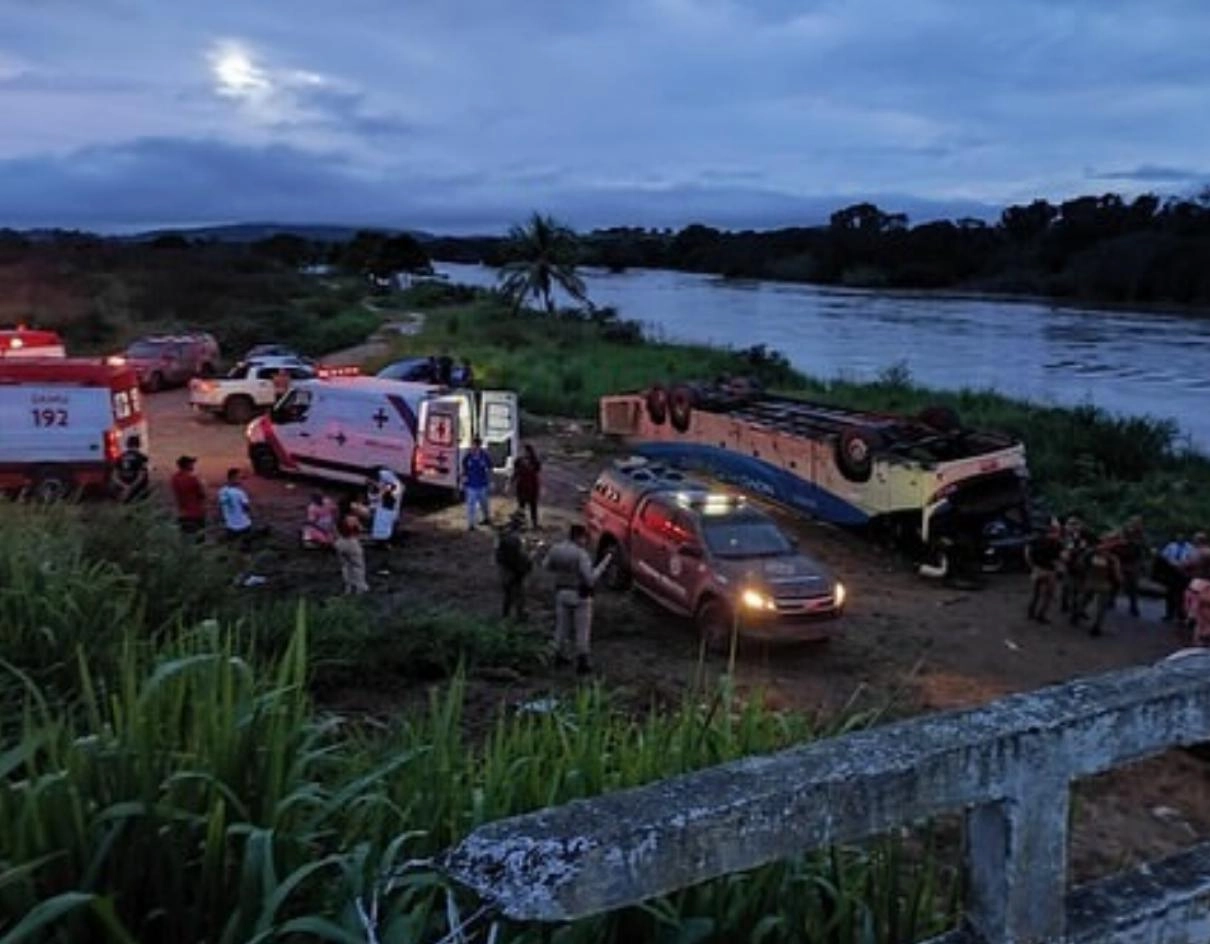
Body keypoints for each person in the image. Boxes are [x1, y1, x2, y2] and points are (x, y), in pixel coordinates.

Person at [543, 524, 612, 676]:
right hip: (581, 595)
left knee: (561, 627)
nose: (586, 542)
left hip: (561, 592)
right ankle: (583, 663)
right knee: (582, 631)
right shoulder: (581, 555)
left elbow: (546, 566)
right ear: (579, 537)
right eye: (584, 538)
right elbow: (590, 579)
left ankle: (556, 656)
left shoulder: (556, 549)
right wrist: (604, 563)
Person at [1078, 532, 1123, 637]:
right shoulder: (1112, 557)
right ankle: (1095, 626)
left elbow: (1081, 563)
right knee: (1098, 605)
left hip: (1094, 579)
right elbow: (1117, 573)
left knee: (1087, 601)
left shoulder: (1093, 552)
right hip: (1101, 581)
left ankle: (1091, 623)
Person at [496, 510, 538, 620]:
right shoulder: (515, 539)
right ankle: (520, 616)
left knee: (508, 595)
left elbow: (498, 552)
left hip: (504, 568)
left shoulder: (504, 534)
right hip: (515, 570)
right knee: (519, 594)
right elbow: (522, 557)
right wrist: (532, 553)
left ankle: (505, 616)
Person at [1025, 520, 1063, 623]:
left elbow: (1028, 553)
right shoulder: (1057, 544)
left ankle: (1030, 612)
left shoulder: (1036, 540)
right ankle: (1041, 615)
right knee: (1048, 595)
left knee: (1035, 593)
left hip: (1037, 569)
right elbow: (1059, 559)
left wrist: (1032, 566)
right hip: (1049, 571)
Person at [1111, 516, 1148, 618]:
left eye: (1137, 522)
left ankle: (1133, 607)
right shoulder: (1123, 530)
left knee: (1133, 585)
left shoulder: (1141, 534)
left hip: (1133, 561)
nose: (1135, 524)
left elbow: (1143, 546)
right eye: (1133, 522)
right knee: (1115, 581)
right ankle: (1111, 601)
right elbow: (1117, 541)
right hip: (1122, 559)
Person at [1156, 532, 1197, 622]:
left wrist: (1183, 564)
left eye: (1181, 537)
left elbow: (1192, 558)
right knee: (1170, 593)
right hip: (1172, 571)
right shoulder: (1171, 546)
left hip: (1184, 572)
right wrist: (1172, 562)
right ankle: (1169, 614)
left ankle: (1181, 615)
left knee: (1182, 594)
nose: (1179, 538)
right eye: (1178, 537)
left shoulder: (1190, 547)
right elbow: (1164, 555)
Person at [333, 498, 369, 594]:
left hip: (339, 542)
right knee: (358, 565)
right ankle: (360, 587)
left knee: (345, 566)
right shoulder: (352, 518)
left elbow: (334, 530)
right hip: (351, 542)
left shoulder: (337, 517)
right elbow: (359, 529)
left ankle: (348, 587)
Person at [217, 467, 258, 545]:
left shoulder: (222, 491)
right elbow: (247, 508)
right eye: (239, 478)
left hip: (230, 524)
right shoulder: (240, 493)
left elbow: (221, 507)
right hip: (243, 524)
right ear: (233, 478)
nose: (241, 480)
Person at [462, 436, 493, 530]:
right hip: (471, 484)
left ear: (479, 445)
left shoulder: (485, 455)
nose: (473, 447)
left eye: (475, 445)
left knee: (484, 504)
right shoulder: (468, 456)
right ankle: (471, 524)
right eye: (472, 445)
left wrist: (490, 480)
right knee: (471, 505)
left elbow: (490, 467)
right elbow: (464, 467)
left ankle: (486, 518)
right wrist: (464, 478)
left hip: (482, 483)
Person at [171, 455, 206, 537]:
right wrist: (202, 484)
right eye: (191, 463)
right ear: (187, 465)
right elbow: (202, 495)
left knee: (185, 537)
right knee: (198, 538)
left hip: (182, 512)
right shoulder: (193, 479)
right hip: (195, 513)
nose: (193, 465)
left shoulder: (174, 478)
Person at [110, 433, 150, 503]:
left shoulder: (120, 457)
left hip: (121, 492)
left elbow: (114, 476)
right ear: (138, 445)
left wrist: (124, 486)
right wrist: (131, 487)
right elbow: (141, 476)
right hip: (138, 492)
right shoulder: (141, 457)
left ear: (127, 445)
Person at [368, 468, 404, 544]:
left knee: (391, 518)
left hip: (391, 500)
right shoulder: (374, 483)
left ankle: (392, 537)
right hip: (385, 502)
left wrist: (384, 490)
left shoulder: (386, 475)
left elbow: (395, 487)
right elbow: (373, 496)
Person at [513, 443, 542, 529]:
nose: (524, 453)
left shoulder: (535, 461)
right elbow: (516, 473)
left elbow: (537, 470)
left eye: (526, 451)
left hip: (532, 486)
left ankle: (534, 524)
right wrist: (511, 482)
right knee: (521, 506)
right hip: (522, 486)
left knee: (533, 506)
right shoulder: (518, 461)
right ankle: (521, 524)